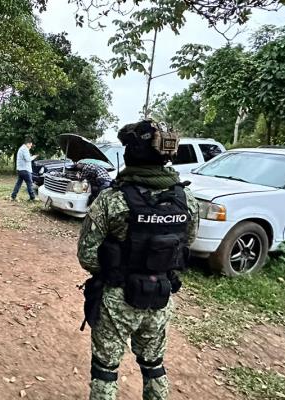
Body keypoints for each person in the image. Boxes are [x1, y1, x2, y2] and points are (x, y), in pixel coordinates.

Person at [77, 120, 198, 400]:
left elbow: (87, 255)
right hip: (161, 297)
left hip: (118, 299)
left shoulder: (112, 200)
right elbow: (187, 243)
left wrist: (113, 271)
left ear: (131, 153)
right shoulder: (187, 199)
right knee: (154, 365)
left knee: (106, 369)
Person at [11, 136, 35, 201]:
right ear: (28, 143)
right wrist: (33, 157)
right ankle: (32, 198)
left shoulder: (22, 148)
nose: (30, 146)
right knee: (29, 183)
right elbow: (28, 159)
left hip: (20, 170)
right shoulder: (25, 149)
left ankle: (13, 196)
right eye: (30, 145)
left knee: (18, 183)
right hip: (25, 170)